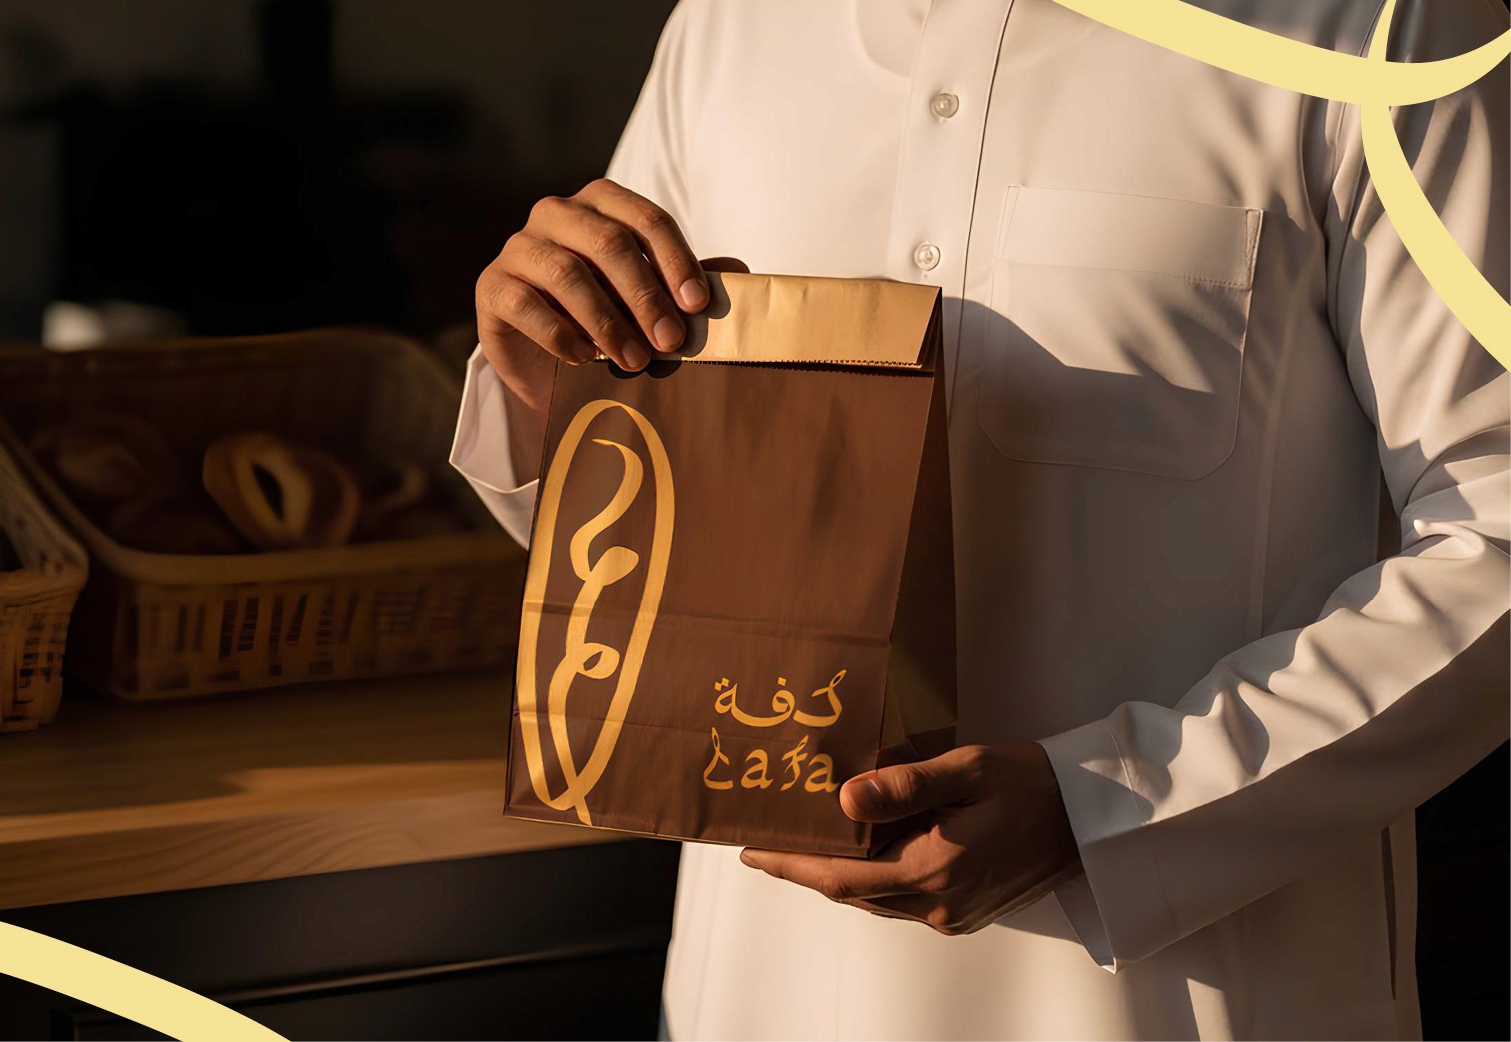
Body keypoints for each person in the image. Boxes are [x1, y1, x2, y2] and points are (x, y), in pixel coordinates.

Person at [450, 1, 1509, 1038]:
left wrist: (1113, 809)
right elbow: (656, 552)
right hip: (760, 986)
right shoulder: (728, 25)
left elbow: (1492, 535)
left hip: (1185, 998)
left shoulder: (1391, 29)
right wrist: (551, 390)